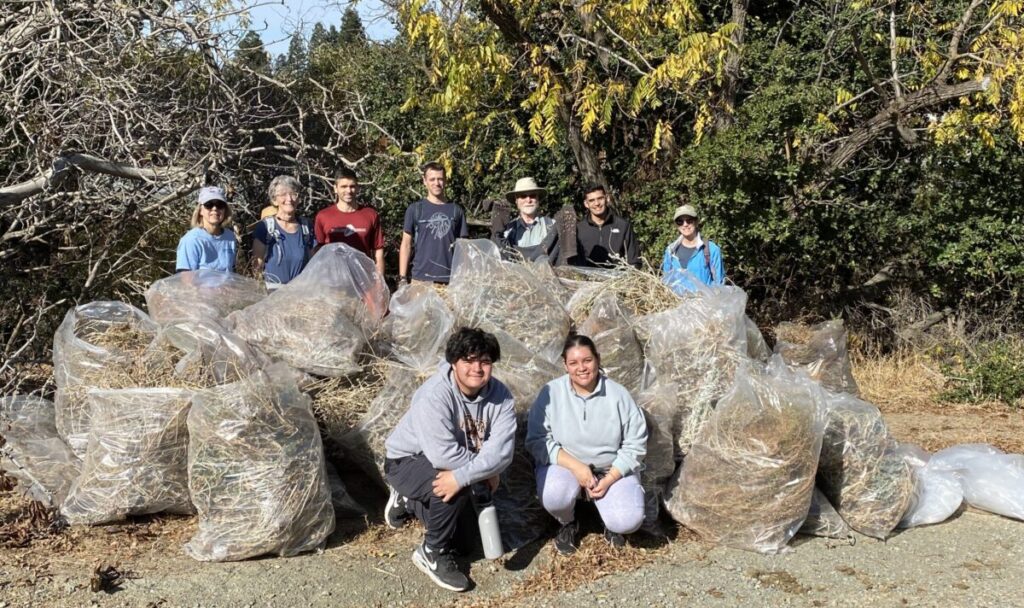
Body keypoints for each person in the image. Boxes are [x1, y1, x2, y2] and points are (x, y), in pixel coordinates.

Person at [383, 327, 516, 592]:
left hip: (451, 463)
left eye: (485, 361)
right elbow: (442, 455)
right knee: (456, 485)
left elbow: (502, 451)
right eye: (468, 360)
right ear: (453, 363)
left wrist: (479, 471)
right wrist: (477, 473)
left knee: (465, 544)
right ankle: (432, 552)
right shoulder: (434, 395)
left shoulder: (501, 397)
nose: (477, 368)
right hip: (408, 460)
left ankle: (409, 501)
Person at [526, 334, 647, 555]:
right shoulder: (550, 393)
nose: (581, 368)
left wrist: (610, 478)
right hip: (567, 467)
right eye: (573, 363)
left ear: (598, 360)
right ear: (565, 365)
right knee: (554, 494)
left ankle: (609, 523)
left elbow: (635, 443)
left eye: (587, 360)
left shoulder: (619, 395)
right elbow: (537, 439)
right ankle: (569, 522)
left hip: (610, 469)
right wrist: (576, 467)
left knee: (627, 520)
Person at [398, 162, 469, 284]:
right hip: (420, 279)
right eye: (432, 179)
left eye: (440, 179)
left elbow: (464, 248)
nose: (437, 183)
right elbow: (406, 244)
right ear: (424, 181)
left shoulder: (456, 210)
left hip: (450, 281)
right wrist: (403, 278)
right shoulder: (415, 209)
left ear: (445, 180)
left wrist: (464, 278)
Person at [314, 167, 385, 276]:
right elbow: (318, 252)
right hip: (333, 280)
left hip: (363, 279)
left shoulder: (370, 214)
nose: (348, 191)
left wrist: (379, 283)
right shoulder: (323, 216)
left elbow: (378, 251)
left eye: (352, 186)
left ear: (357, 188)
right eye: (343, 186)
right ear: (335, 188)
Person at [251, 175, 316, 288]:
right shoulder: (265, 227)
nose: (289, 199)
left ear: (299, 198)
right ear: (274, 200)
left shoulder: (306, 227)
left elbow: (313, 265)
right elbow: (257, 266)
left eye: (293, 194)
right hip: (272, 293)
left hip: (300, 293)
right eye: (283, 195)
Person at [571, 184, 641, 268]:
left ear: (607, 198)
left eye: (600, 198)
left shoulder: (623, 226)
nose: (597, 203)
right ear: (586, 204)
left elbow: (634, 261)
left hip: (618, 279)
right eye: (592, 200)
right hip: (588, 280)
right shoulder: (579, 229)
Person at [660, 202, 725, 293]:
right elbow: (665, 282)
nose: (685, 224)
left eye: (689, 220)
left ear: (696, 221)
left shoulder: (711, 249)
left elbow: (719, 284)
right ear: (676, 225)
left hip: (704, 305)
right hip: (677, 305)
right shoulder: (670, 251)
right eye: (680, 221)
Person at [493, 177, 559, 262]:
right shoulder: (507, 231)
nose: (528, 200)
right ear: (516, 201)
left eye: (532, 196)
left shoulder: (553, 226)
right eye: (523, 196)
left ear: (538, 199)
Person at [175, 186, 237, 273]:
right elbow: (186, 279)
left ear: (225, 210)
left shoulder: (230, 237)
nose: (215, 208)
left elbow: (232, 270)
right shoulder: (191, 240)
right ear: (200, 210)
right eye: (209, 205)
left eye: (220, 205)